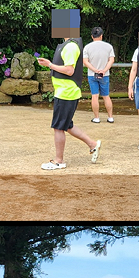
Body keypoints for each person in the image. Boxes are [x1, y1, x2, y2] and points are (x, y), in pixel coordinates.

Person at [36, 11, 101, 170]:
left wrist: (49, 65)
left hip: (67, 92)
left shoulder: (71, 46)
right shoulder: (68, 44)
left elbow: (69, 70)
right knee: (67, 125)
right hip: (65, 91)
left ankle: (59, 161)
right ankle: (92, 144)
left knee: (59, 127)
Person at [83, 27, 115, 124]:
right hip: (104, 75)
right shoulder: (108, 46)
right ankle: (110, 117)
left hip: (92, 75)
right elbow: (111, 60)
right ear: (101, 35)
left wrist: (95, 70)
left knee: (95, 96)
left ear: (92, 36)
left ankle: (96, 118)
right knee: (106, 96)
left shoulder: (87, 47)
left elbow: (85, 62)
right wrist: (104, 70)